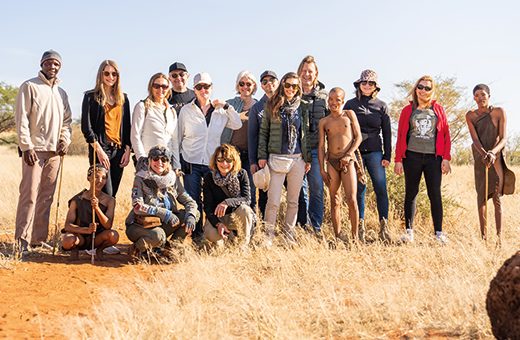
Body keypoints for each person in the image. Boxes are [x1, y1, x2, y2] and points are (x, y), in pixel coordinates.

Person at [14, 50, 72, 254]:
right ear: (41, 64)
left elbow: (67, 122)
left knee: (46, 196)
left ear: (60, 66)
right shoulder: (29, 86)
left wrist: (65, 140)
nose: (52, 66)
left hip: (54, 152)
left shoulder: (62, 93)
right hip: (34, 150)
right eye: (48, 63)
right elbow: (21, 118)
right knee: (29, 194)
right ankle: (21, 241)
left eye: (56, 63)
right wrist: (26, 146)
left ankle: (38, 240)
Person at [178, 72, 242, 243]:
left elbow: (237, 123)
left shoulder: (220, 111)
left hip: (212, 164)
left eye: (206, 86)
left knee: (210, 200)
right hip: (190, 161)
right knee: (193, 199)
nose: (203, 90)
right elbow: (178, 136)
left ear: (211, 88)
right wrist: (178, 162)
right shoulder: (186, 110)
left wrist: (226, 106)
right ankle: (197, 236)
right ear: (194, 89)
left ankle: (212, 232)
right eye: (199, 87)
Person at [394, 76, 451, 244]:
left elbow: (446, 134)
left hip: (434, 158)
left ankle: (439, 233)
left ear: (431, 91)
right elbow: (401, 136)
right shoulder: (408, 110)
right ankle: (409, 232)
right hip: (412, 156)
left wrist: (446, 158)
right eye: (420, 87)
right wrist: (398, 159)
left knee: (435, 194)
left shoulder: (438, 109)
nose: (423, 90)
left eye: (427, 88)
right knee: (411, 193)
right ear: (415, 89)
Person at [258, 72, 312, 246]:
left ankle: (289, 236)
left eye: (294, 86)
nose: (290, 89)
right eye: (287, 85)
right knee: (273, 201)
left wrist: (307, 158)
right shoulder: (272, 104)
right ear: (282, 85)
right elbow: (264, 132)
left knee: (293, 201)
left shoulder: (302, 107)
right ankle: (268, 236)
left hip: (297, 159)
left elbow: (305, 134)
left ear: (298, 89)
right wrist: (262, 156)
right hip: (276, 158)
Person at [343, 70, 391, 242]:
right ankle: (359, 228)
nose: (367, 86)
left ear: (375, 86)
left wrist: (388, 155)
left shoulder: (381, 106)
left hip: (376, 152)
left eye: (371, 83)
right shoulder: (350, 104)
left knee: (380, 189)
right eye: (364, 83)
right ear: (358, 85)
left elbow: (387, 132)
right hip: (355, 153)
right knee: (358, 191)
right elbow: (343, 128)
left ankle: (384, 229)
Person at [125, 145, 198, 258]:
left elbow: (190, 201)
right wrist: (164, 213)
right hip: (140, 225)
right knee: (158, 236)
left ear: (168, 162)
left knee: (192, 214)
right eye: (155, 158)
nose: (160, 162)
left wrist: (191, 215)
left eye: (164, 159)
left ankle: (171, 248)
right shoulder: (140, 178)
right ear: (150, 160)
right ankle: (137, 248)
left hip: (162, 224)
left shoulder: (172, 179)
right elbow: (137, 206)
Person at [466, 84, 515, 243]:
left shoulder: (499, 112)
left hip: (497, 157)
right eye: (477, 95)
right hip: (481, 158)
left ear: (489, 96)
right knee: (481, 197)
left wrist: (493, 153)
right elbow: (474, 139)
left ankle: (499, 239)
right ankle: (483, 238)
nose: (480, 97)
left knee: (497, 196)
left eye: (483, 94)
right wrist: (483, 154)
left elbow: (503, 139)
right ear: (474, 98)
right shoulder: (471, 116)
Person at [81, 60, 131, 197]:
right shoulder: (91, 97)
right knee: (104, 193)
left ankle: (107, 219)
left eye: (114, 74)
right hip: (100, 150)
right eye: (107, 73)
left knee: (112, 195)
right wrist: (99, 151)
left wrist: (127, 151)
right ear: (101, 75)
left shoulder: (124, 99)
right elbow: (87, 128)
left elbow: (127, 127)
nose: (111, 77)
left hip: (119, 152)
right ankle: (94, 219)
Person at [318, 88, 362, 244]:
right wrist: (322, 169)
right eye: (331, 99)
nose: (333, 102)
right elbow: (322, 146)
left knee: (351, 199)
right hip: (332, 162)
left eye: (337, 99)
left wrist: (349, 154)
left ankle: (355, 237)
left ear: (343, 101)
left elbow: (358, 137)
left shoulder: (349, 115)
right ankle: (337, 237)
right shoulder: (324, 121)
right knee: (334, 200)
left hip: (347, 161)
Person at [296, 56, 330, 235]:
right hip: (297, 151)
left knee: (316, 189)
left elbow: (332, 122)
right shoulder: (292, 93)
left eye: (310, 71)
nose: (307, 74)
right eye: (304, 70)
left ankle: (315, 227)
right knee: (299, 192)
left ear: (316, 73)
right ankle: (301, 227)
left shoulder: (324, 96)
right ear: (299, 72)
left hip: (317, 150)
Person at [62, 164, 118, 261]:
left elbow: (108, 225)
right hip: (80, 237)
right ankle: (74, 249)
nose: (100, 181)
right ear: (88, 178)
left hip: (97, 238)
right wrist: (86, 230)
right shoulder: (77, 199)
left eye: (103, 178)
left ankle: (99, 250)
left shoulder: (110, 200)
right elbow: (68, 226)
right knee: (67, 241)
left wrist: (97, 208)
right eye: (96, 177)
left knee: (114, 236)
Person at [203, 144, 255, 247]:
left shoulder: (241, 174)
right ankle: (221, 240)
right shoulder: (209, 178)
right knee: (211, 234)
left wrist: (227, 202)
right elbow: (208, 207)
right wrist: (218, 224)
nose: (224, 163)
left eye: (229, 160)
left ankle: (243, 245)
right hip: (219, 218)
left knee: (245, 209)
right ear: (215, 160)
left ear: (234, 161)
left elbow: (247, 199)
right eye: (220, 159)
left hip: (236, 216)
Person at [221, 70, 258, 209]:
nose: (245, 87)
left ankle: (251, 225)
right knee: (232, 190)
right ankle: (233, 225)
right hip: (233, 155)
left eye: (248, 84)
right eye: (241, 84)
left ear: (253, 86)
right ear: (238, 86)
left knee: (250, 191)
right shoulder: (229, 104)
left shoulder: (259, 106)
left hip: (251, 155)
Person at [131, 73, 180, 169]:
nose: (160, 89)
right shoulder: (142, 107)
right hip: (148, 163)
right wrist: (142, 161)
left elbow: (174, 140)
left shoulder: (172, 111)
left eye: (164, 86)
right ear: (151, 87)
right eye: (156, 86)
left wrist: (177, 165)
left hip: (167, 164)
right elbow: (135, 136)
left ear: (168, 88)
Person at [249, 70, 279, 217]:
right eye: (265, 82)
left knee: (297, 194)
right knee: (264, 195)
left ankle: (300, 228)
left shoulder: (285, 102)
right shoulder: (256, 108)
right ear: (261, 86)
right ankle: (263, 226)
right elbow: (252, 136)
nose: (269, 84)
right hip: (264, 159)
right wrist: (253, 161)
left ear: (278, 82)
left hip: (286, 157)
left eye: (272, 80)